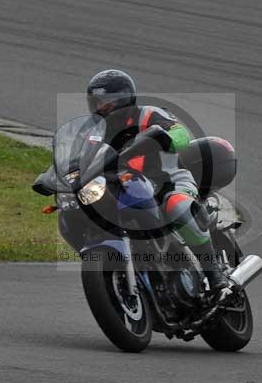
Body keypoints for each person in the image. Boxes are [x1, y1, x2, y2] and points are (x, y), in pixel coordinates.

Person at [86, 69, 231, 297]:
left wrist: (165, 138)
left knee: (177, 205)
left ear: (124, 99)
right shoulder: (94, 133)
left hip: (168, 182)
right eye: (96, 102)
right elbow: (81, 159)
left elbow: (180, 134)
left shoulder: (147, 115)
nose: (101, 107)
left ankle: (214, 274)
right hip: (126, 187)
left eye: (107, 101)